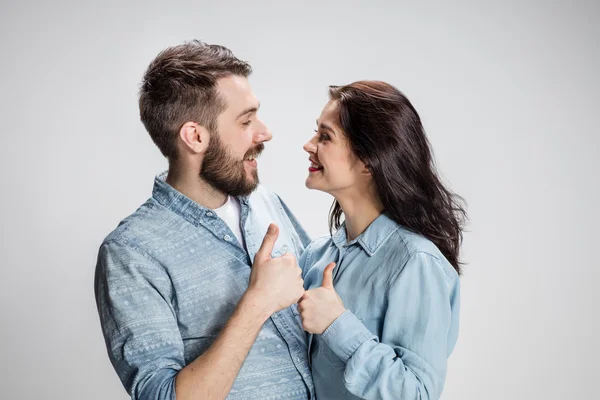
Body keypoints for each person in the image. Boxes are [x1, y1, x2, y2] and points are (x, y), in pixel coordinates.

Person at [94, 40, 314, 400]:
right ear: (195, 136)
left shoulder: (265, 202)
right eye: (246, 120)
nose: (264, 132)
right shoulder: (132, 253)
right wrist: (257, 303)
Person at [297, 81, 466, 399]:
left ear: (367, 161)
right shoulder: (314, 257)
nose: (308, 145)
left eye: (325, 136)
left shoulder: (416, 263)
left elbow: (417, 393)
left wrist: (337, 323)